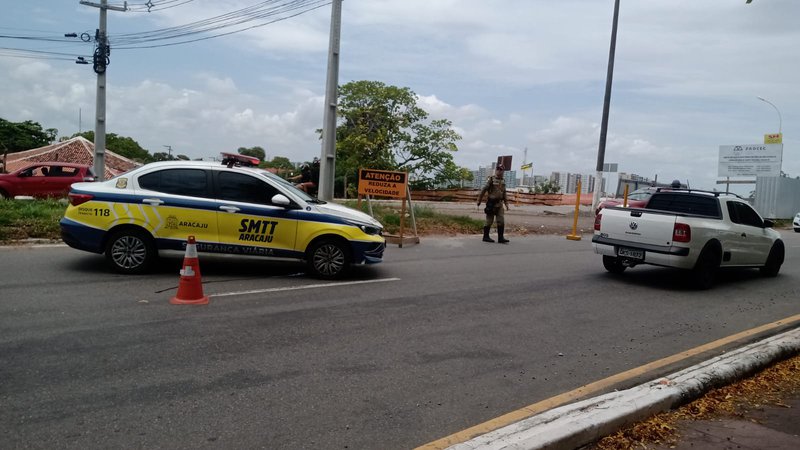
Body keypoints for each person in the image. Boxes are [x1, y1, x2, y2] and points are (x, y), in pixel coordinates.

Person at [477, 164, 510, 243]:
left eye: (501, 169)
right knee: (489, 221)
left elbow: (504, 193)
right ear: (496, 170)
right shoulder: (491, 179)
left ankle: (501, 238)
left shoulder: (503, 181)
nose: (499, 170)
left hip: (499, 204)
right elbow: (484, 190)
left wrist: (506, 203)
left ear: (503, 171)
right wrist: (479, 200)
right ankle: (485, 237)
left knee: (501, 221)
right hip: (491, 204)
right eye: (498, 169)